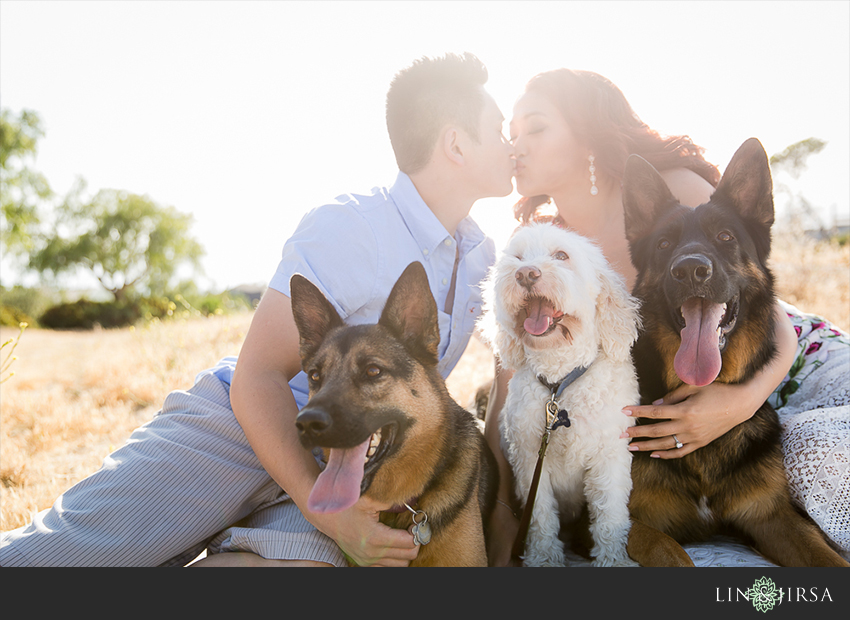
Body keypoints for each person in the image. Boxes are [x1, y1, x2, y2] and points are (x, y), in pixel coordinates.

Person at [0, 52, 515, 567]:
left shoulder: (481, 258)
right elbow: (259, 375)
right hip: (239, 432)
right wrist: (329, 516)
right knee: (55, 562)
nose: (511, 146)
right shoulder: (354, 225)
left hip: (346, 465)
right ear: (455, 144)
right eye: (499, 130)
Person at [484, 67, 850, 566]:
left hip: (790, 357)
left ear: (588, 134)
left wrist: (736, 404)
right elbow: (513, 379)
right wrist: (503, 513)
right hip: (685, 358)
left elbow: (772, 316)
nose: (514, 145)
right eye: (511, 133)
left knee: (819, 456)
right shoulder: (550, 249)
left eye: (536, 127)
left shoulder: (674, 190)